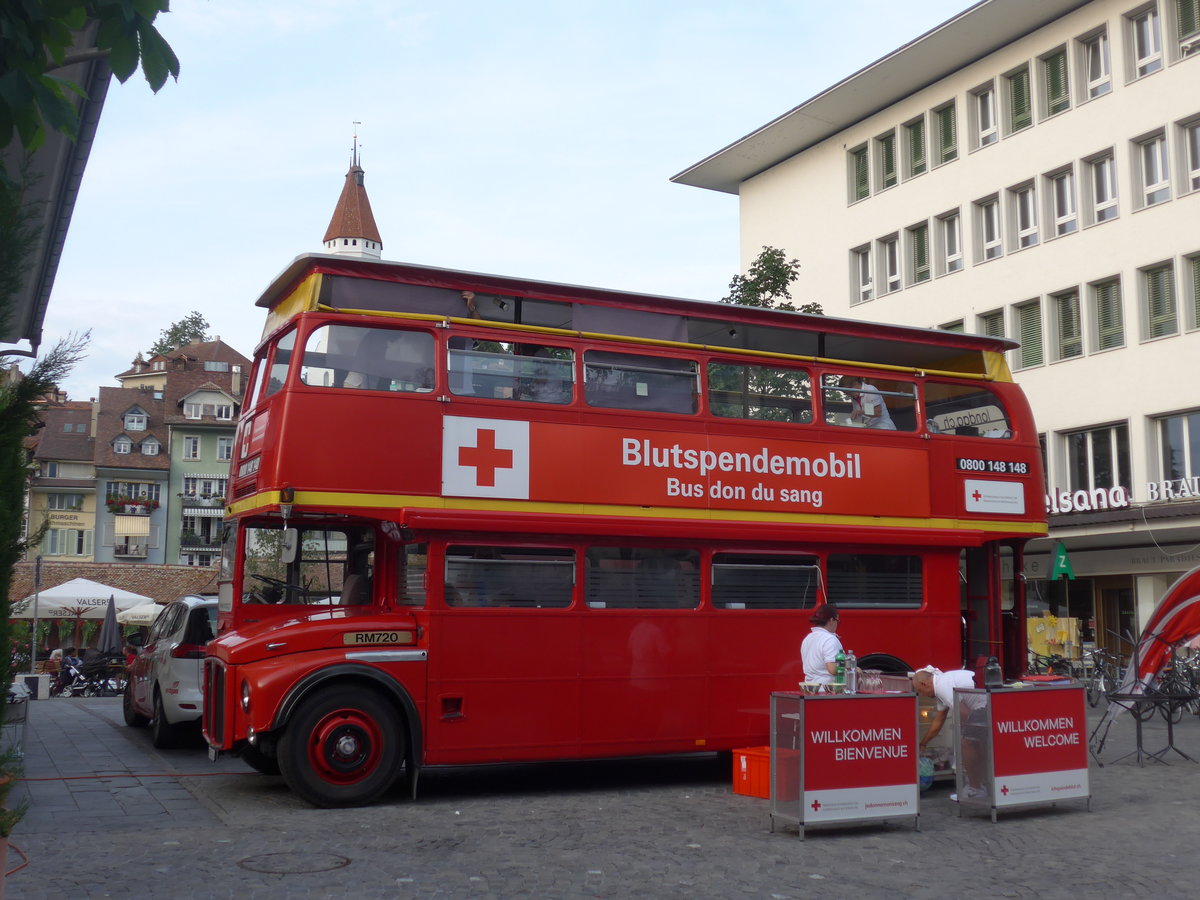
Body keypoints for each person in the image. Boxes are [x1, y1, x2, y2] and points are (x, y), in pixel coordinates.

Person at [913, 667, 988, 800]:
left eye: (920, 690)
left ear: (924, 684)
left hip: (984, 705)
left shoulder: (942, 687)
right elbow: (938, 721)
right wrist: (923, 743)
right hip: (984, 703)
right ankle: (980, 784)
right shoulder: (941, 684)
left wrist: (963, 734)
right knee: (971, 743)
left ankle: (976, 788)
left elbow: (964, 713)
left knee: (966, 745)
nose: (922, 694)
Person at [801, 603, 843, 685]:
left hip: (809, 687)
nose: (837, 624)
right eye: (837, 621)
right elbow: (832, 669)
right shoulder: (830, 639)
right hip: (826, 688)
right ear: (831, 620)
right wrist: (851, 668)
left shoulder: (808, 638)